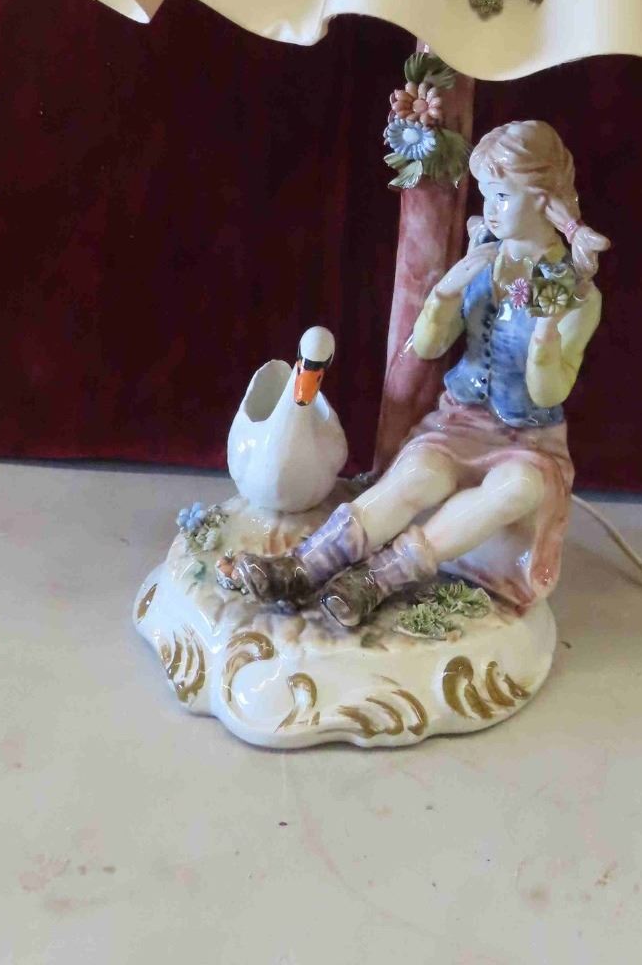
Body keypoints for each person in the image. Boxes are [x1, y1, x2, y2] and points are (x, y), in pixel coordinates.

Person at [231, 120, 608, 628]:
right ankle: (303, 566)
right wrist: (449, 289)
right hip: (461, 420)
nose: (490, 209)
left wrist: (545, 332)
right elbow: (429, 346)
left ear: (543, 200)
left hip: (529, 437)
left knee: (518, 487)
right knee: (420, 473)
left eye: (502, 196)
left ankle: (378, 579)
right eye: (486, 195)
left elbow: (548, 392)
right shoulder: (484, 260)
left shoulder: (577, 295)